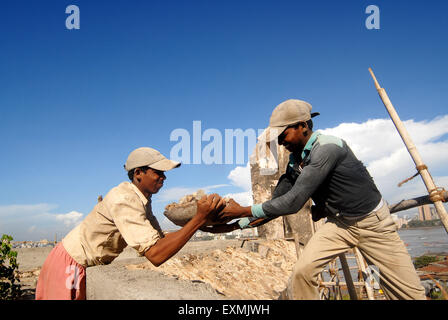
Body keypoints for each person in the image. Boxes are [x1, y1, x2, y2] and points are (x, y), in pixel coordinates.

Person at [212, 99, 426, 300]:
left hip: (373, 224)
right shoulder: (295, 161)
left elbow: (293, 202)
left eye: (282, 134)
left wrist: (241, 210)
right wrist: (233, 226)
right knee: (302, 272)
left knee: (408, 293)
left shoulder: (327, 148)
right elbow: (276, 203)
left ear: (303, 125)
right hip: (339, 225)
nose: (279, 141)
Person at [35, 147, 226, 300]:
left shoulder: (142, 200)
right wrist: (198, 218)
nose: (164, 177)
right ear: (138, 173)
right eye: (158, 172)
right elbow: (156, 255)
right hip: (70, 265)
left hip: (75, 264)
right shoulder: (124, 199)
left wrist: (208, 224)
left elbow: (160, 240)